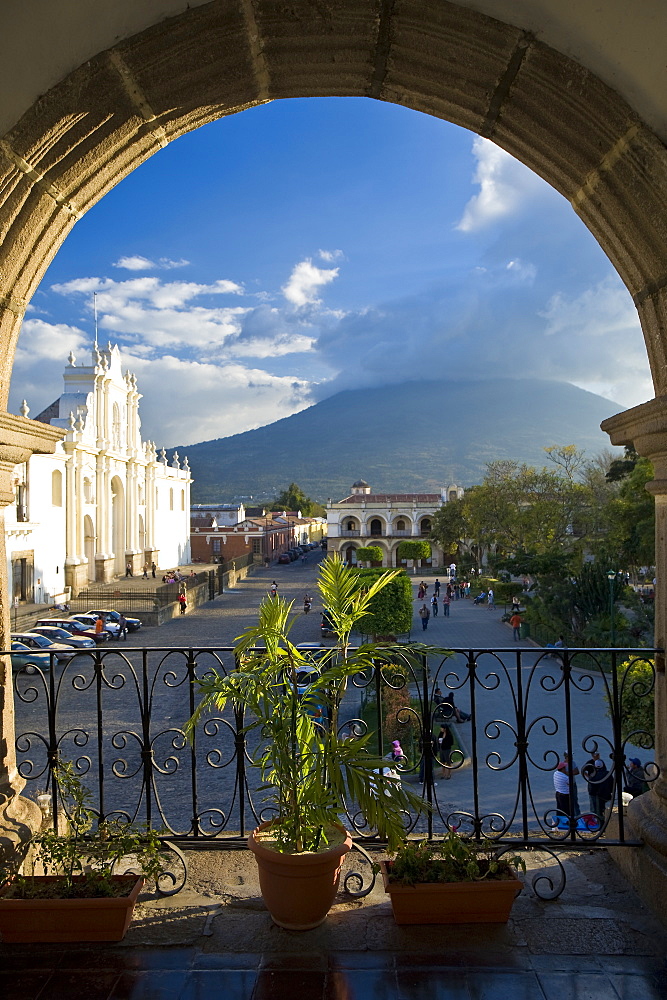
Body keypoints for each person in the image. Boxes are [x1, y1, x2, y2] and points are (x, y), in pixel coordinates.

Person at [582, 751, 613, 819]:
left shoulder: (594, 776)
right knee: (600, 808)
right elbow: (611, 782)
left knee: (595, 808)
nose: (598, 756)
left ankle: (597, 821)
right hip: (603, 792)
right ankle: (601, 819)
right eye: (597, 755)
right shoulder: (606, 773)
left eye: (598, 754)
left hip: (596, 792)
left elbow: (592, 788)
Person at [553, 752, 580, 822]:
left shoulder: (556, 774)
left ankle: (559, 821)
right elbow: (569, 782)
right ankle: (568, 822)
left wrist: (568, 773)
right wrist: (570, 773)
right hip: (565, 793)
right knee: (566, 809)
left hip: (559, 792)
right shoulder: (565, 777)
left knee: (560, 808)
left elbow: (577, 771)